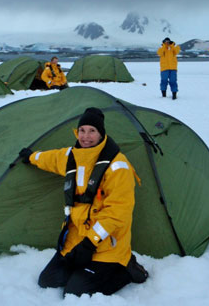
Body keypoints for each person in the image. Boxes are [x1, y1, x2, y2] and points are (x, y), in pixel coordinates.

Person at [20, 107, 148, 297]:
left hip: (106, 246)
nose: (86, 136)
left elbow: (117, 213)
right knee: (47, 280)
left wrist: (89, 244)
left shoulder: (118, 166)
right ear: (77, 132)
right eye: (82, 130)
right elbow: (51, 158)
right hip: (76, 239)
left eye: (92, 131)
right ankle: (82, 271)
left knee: (75, 292)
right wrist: (31, 157)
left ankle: (126, 269)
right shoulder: (72, 156)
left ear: (101, 134)